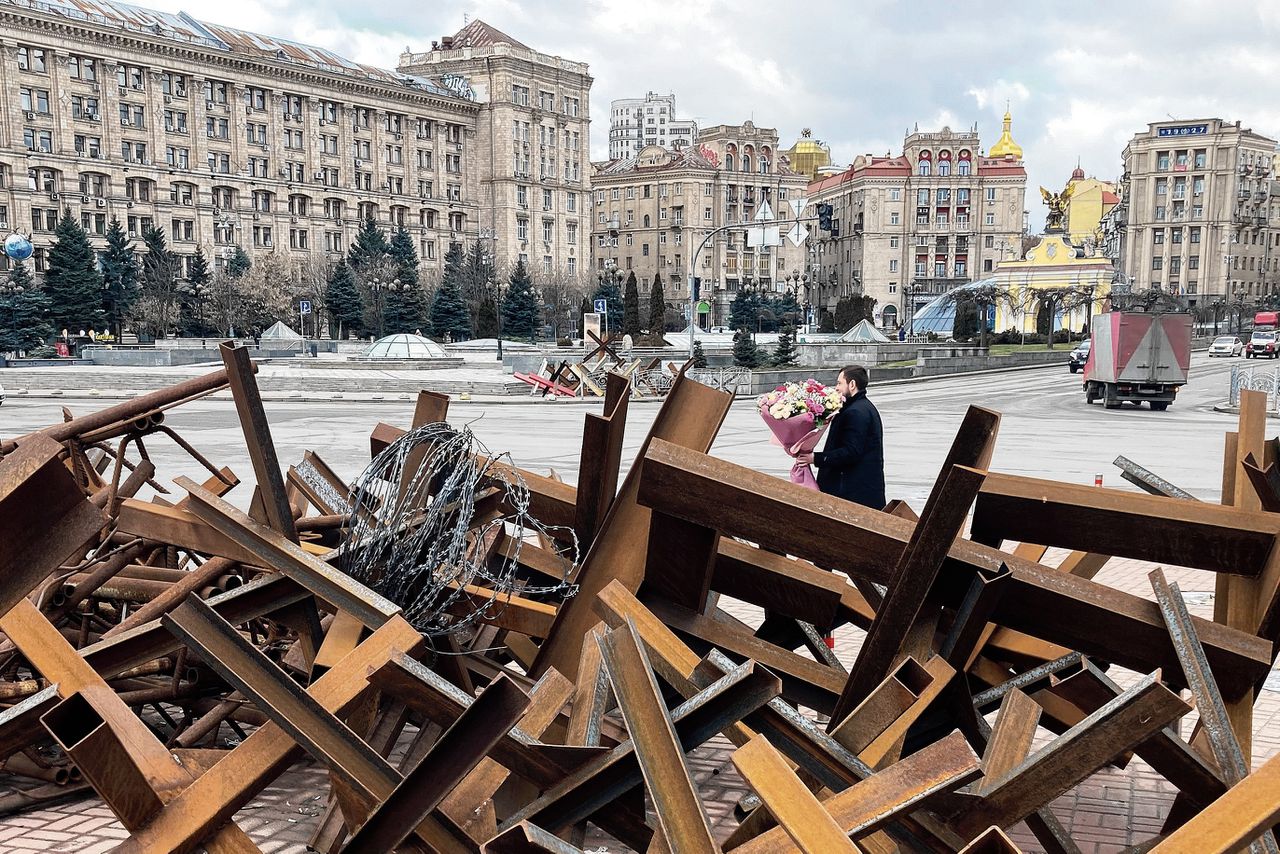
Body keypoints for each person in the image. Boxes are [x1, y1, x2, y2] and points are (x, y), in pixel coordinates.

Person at [795, 365, 885, 509]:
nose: (836, 387)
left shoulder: (856, 412)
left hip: (853, 494)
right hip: (858, 491)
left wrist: (815, 458)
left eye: (839, 383)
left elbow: (851, 452)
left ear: (852, 384)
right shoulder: (860, 407)